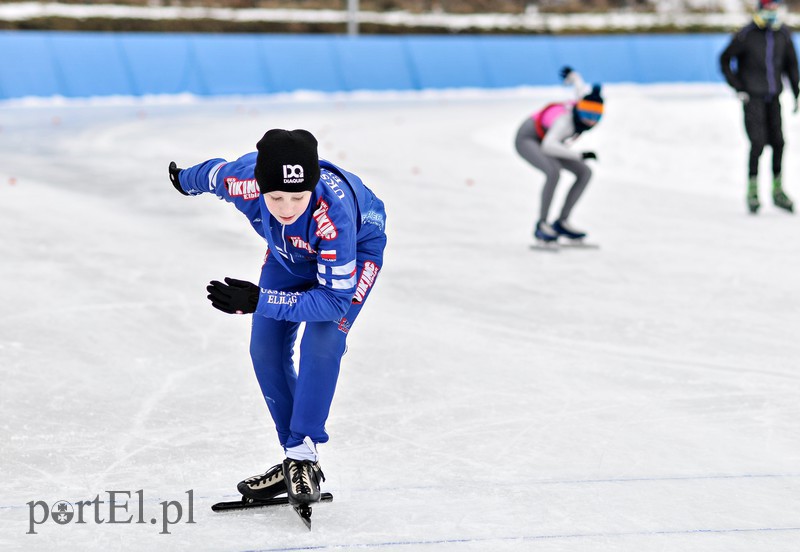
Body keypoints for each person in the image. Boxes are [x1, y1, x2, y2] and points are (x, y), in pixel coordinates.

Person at [168, 129, 387, 508]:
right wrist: (183, 180)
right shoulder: (244, 181)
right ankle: (296, 456)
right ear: (259, 188)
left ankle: (302, 458)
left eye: (298, 197)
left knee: (322, 344)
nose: (286, 208)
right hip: (289, 256)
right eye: (276, 197)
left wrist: (261, 299)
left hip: (353, 253)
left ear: (312, 189)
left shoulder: (333, 219)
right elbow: (211, 174)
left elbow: (334, 303)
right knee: (264, 349)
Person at [720, 0, 799, 214]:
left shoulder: (782, 33)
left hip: (773, 97)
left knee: (779, 143)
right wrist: (739, 86)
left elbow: (791, 64)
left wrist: (796, 91)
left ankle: (777, 189)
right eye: (768, 9)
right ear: (760, 10)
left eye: (775, 9)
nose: (772, 13)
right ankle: (753, 191)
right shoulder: (746, 34)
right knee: (758, 143)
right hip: (753, 97)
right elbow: (725, 59)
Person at [515, 66, 604, 243]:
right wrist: (578, 156)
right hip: (528, 138)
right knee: (553, 171)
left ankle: (561, 222)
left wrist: (573, 76)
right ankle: (542, 225)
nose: (590, 120)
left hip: (549, 140)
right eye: (586, 114)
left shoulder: (582, 101)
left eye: (596, 116)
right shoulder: (565, 122)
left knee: (585, 172)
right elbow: (549, 146)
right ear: (579, 110)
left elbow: (579, 87)